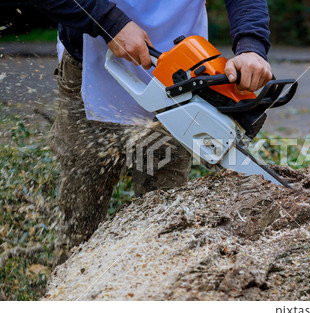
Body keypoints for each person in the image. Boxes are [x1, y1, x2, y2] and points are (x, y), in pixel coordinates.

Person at [30, 0, 272, 262]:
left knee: (163, 222)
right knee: (80, 219)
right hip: (92, 60)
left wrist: (251, 45)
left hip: (186, 76)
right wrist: (109, 21)